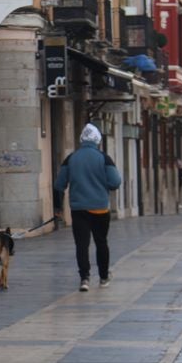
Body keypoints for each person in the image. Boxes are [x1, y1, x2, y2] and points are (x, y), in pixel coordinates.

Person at [54, 123, 122, 292]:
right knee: (101, 242)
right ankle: (104, 277)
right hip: (100, 208)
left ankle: (84, 278)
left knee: (82, 245)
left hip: (78, 210)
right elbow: (115, 182)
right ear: (98, 140)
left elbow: (59, 185)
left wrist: (58, 208)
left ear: (82, 140)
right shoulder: (104, 158)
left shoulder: (71, 158)